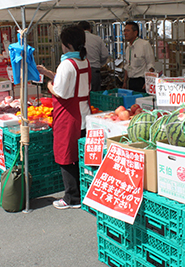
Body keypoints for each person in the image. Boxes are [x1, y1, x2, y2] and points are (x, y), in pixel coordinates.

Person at [37, 25, 92, 210]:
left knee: (65, 156)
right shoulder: (84, 61)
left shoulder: (67, 64)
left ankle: (71, 198)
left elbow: (59, 90)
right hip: (84, 113)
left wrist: (49, 84)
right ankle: (82, 192)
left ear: (67, 44)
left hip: (68, 115)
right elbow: (69, 82)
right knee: (79, 155)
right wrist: (48, 73)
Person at [122, 21, 155, 93]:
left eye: (128, 31)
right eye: (124, 31)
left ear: (135, 32)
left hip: (142, 81)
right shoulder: (128, 48)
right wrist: (125, 82)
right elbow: (128, 66)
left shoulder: (144, 44)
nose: (125, 33)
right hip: (131, 81)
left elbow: (151, 65)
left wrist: (148, 82)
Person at [78, 21, 109, 91]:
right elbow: (105, 54)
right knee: (95, 94)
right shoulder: (97, 39)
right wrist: (99, 63)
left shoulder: (77, 39)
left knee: (82, 92)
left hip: (80, 69)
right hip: (94, 70)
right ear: (90, 29)